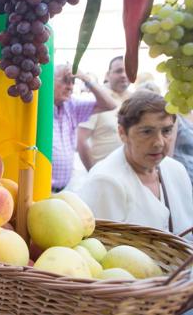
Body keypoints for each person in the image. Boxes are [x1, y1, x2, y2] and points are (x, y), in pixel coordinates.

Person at [78, 90, 193, 237]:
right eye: (146, 132)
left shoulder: (177, 170)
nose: (159, 142)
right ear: (122, 133)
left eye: (166, 131)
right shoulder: (105, 181)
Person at [52, 64, 117, 191]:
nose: (71, 87)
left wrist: (85, 79)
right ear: (49, 80)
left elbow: (109, 105)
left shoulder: (71, 106)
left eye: (73, 82)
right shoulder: (38, 106)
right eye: (65, 81)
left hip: (65, 188)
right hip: (39, 189)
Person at [77, 56, 131, 170]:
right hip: (103, 174)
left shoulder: (133, 99)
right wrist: (92, 171)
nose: (124, 75)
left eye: (127, 71)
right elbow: (81, 140)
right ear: (107, 74)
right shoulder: (97, 99)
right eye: (119, 71)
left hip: (129, 174)